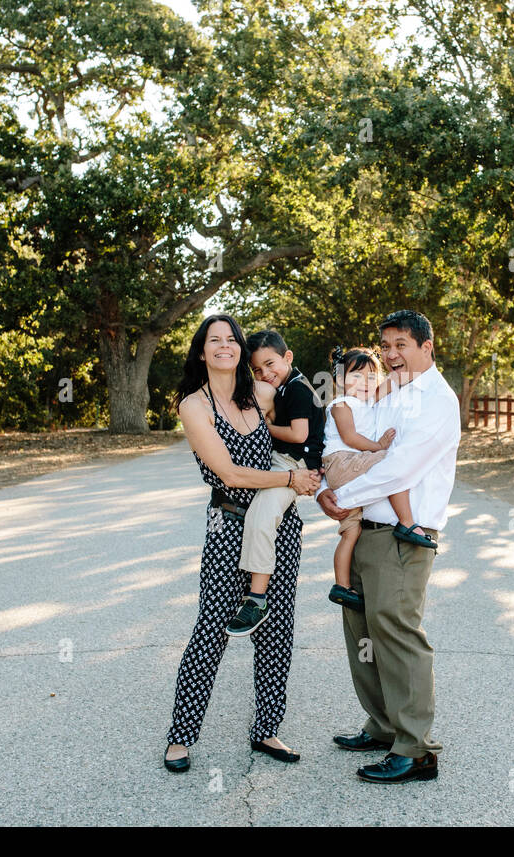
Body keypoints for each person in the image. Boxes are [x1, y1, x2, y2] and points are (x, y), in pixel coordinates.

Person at [163, 314, 320, 773]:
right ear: (201, 351)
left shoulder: (262, 395)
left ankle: (267, 730)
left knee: (276, 630)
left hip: (278, 528)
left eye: (232, 339)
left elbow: (303, 399)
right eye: (215, 340)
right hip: (228, 524)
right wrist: (291, 476)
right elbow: (229, 474)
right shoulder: (194, 406)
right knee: (211, 630)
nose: (225, 346)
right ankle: (180, 737)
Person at [316, 310, 461, 784]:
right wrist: (324, 492)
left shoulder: (437, 400)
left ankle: (416, 749)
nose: (392, 354)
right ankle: (382, 726)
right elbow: (346, 447)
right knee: (362, 633)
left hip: (402, 536)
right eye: (386, 346)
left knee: (397, 635)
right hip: (363, 530)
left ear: (427, 347)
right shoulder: (385, 393)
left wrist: (342, 499)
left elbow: (399, 470)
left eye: (401, 344)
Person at [320, 345, 436, 613]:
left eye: (371, 377)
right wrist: (379, 447)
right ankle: (407, 522)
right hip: (342, 462)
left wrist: (409, 359)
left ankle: (341, 586)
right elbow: (349, 437)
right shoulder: (341, 404)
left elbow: (393, 381)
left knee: (350, 532)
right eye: (356, 376)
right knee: (391, 462)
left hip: (348, 467)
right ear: (339, 380)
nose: (365, 383)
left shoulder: (367, 400)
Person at [227, 330, 326, 638]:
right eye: (257, 370)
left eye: (270, 364)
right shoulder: (285, 386)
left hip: (293, 464)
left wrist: (264, 427)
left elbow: (298, 435)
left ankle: (256, 599)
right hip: (286, 462)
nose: (265, 374)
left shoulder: (298, 389)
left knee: (260, 517)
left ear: (288, 357)